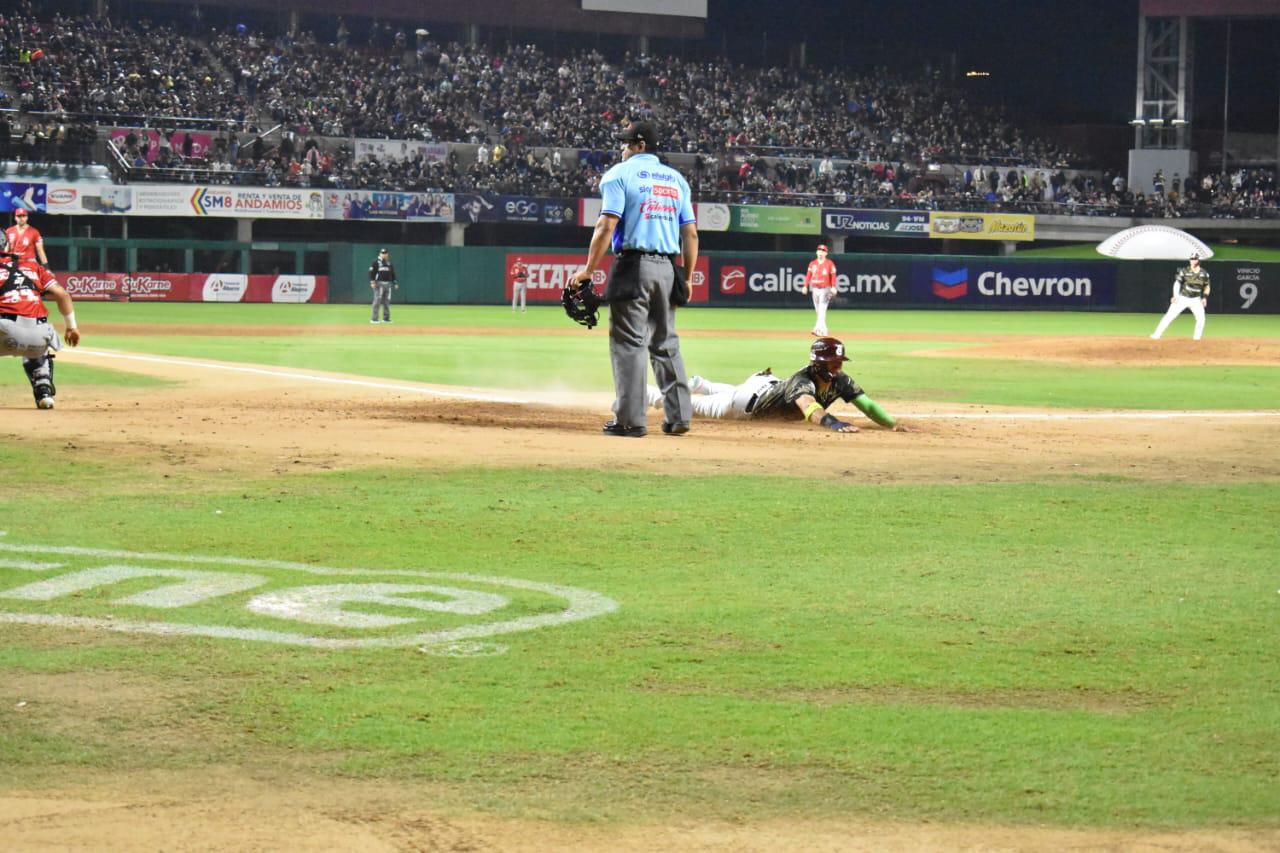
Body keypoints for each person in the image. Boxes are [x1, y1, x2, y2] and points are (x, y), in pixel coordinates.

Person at [572, 120, 697, 438]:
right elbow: (691, 233)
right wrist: (689, 276)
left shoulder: (619, 174)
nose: (621, 148)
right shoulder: (676, 180)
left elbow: (605, 226)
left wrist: (588, 269)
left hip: (634, 265)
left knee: (629, 343)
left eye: (626, 143)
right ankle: (680, 416)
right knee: (666, 342)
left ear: (641, 145)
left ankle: (630, 420)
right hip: (669, 268)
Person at [644, 337, 907, 433]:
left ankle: (702, 384)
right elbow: (809, 408)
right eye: (833, 361)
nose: (838, 366)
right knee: (685, 406)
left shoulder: (840, 380)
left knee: (731, 390)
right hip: (743, 404)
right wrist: (833, 423)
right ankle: (644, 393)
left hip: (766, 384)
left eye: (839, 360)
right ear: (818, 364)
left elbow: (867, 405)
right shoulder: (802, 381)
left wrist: (891, 423)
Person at [0, 242, 81, 409]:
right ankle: (43, 391)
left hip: (4, 331)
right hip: (39, 336)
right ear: (6, 246)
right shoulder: (33, 266)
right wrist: (71, 328)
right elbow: (63, 295)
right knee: (39, 340)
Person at [1151, 253, 1210, 341]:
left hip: (1196, 300)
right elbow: (1177, 283)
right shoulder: (1185, 271)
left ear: (1198, 260)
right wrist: (1175, 296)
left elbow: (1207, 286)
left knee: (1201, 319)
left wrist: (1204, 297)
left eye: (1195, 259)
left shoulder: (1204, 273)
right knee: (1169, 316)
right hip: (1183, 298)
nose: (1192, 260)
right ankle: (1156, 335)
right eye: (1191, 259)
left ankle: (1197, 338)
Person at [799, 243, 837, 336]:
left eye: (823, 251)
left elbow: (833, 276)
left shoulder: (829, 263)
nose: (821, 252)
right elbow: (808, 275)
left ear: (826, 253)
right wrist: (805, 285)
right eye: (819, 250)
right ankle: (825, 331)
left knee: (822, 310)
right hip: (815, 289)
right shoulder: (812, 264)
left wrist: (833, 286)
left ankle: (817, 329)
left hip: (826, 289)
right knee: (818, 311)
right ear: (816, 252)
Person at [368, 248, 398, 324]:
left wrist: (395, 282)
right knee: (377, 301)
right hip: (379, 283)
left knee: (387, 301)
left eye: (385, 253)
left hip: (388, 284)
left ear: (387, 254)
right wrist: (372, 282)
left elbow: (392, 274)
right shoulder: (375, 262)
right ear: (380, 254)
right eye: (382, 253)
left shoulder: (389, 263)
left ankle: (386, 318)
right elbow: (371, 272)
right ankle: (374, 319)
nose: (384, 254)